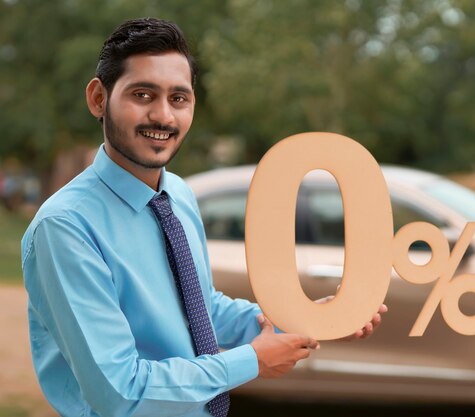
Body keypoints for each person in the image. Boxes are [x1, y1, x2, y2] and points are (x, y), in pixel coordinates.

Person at [21, 17, 386, 417]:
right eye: (143, 94)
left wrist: (314, 319)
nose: (163, 116)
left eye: (179, 98)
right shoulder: (65, 227)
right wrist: (251, 361)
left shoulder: (177, 193)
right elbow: (120, 391)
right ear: (98, 98)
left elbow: (198, 307)